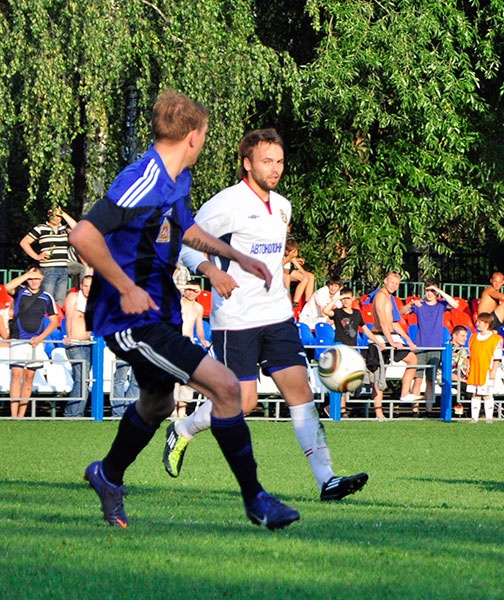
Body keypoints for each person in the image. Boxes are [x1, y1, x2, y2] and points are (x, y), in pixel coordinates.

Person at [70, 91, 298, 529]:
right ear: (193, 136)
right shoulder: (141, 179)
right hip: (132, 318)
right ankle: (257, 501)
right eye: (205, 134)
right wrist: (126, 288)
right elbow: (83, 235)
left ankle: (107, 475)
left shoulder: (176, 179)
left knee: (157, 405)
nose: (204, 142)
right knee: (227, 388)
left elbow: (186, 227)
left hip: (161, 310)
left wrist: (235, 256)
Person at [164, 128, 368, 502]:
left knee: (301, 392)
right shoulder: (226, 204)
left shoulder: (283, 206)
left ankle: (327, 481)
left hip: (277, 317)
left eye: (279, 161)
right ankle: (183, 429)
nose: (275, 169)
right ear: (247, 164)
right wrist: (210, 271)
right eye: (267, 161)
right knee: (243, 403)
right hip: (236, 320)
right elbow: (185, 242)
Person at [4, 265, 59, 417]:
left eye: (37, 278)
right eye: (31, 279)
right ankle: (13, 415)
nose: (34, 281)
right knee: (16, 374)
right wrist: (27, 275)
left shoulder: (46, 297)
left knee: (29, 377)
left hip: (36, 342)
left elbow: (54, 321)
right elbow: (8, 287)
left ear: (42, 279)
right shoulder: (20, 292)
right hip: (19, 340)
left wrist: (41, 338)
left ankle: (22, 415)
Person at [401, 280, 458, 415]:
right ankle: (415, 410)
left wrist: (439, 291)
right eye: (427, 290)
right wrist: (411, 303)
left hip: (435, 348)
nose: (430, 293)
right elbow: (401, 312)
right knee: (418, 379)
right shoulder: (420, 305)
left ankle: (429, 409)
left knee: (430, 380)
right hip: (420, 347)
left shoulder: (440, 305)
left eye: (432, 291)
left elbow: (455, 305)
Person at [370, 271, 423, 412]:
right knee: (380, 376)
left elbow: (393, 322)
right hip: (380, 338)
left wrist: (408, 340)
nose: (394, 286)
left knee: (412, 359)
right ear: (385, 281)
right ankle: (379, 413)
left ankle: (404, 394)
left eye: (397, 284)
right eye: (392, 282)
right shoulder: (380, 296)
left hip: (390, 336)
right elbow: (382, 322)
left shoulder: (390, 298)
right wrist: (391, 341)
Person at [325, 287, 381, 417]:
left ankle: (336, 407)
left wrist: (378, 342)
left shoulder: (356, 313)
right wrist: (337, 299)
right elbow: (325, 311)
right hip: (341, 350)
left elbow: (366, 329)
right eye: (343, 298)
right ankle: (340, 409)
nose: (346, 301)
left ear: (353, 299)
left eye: (348, 298)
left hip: (352, 350)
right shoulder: (338, 313)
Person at [19, 207, 78, 305]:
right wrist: (36, 256)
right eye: (54, 215)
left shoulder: (64, 228)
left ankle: (57, 315)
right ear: (48, 215)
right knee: (47, 297)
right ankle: (45, 315)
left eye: (58, 215)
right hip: (48, 268)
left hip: (63, 268)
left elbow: (76, 228)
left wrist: (63, 213)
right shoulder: (41, 228)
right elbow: (24, 242)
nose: (56, 218)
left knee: (60, 299)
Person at [172, 280, 210, 419]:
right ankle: (172, 409)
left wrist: (203, 339)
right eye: (189, 290)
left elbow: (199, 326)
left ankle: (182, 409)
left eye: (195, 291)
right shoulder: (178, 302)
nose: (191, 293)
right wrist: (186, 286)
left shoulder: (198, 308)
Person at [63, 275, 93, 417]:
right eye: (85, 286)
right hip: (75, 344)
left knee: (85, 380)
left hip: (89, 344)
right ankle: (72, 413)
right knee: (81, 379)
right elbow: (69, 317)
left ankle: (77, 412)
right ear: (81, 286)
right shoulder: (74, 297)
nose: (88, 289)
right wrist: (69, 335)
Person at [466, 313, 504, 423]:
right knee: (475, 393)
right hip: (475, 369)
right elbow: (470, 353)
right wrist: (468, 365)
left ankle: (489, 417)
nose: (477, 324)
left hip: (486, 369)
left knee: (487, 393)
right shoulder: (473, 337)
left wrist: (493, 370)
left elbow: (497, 357)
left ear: (487, 324)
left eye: (480, 322)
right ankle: (474, 418)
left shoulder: (495, 339)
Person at [283, 237, 316, 305]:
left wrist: (304, 272)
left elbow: (295, 262)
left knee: (309, 277)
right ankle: (293, 302)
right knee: (299, 278)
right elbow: (278, 265)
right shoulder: (280, 254)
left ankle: (307, 301)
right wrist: (288, 258)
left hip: (288, 271)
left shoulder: (291, 256)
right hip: (281, 272)